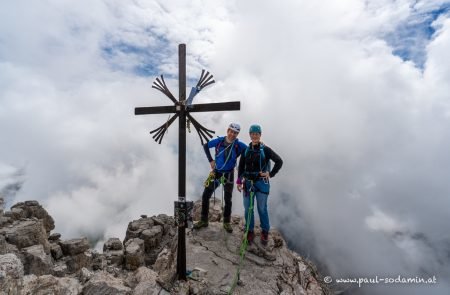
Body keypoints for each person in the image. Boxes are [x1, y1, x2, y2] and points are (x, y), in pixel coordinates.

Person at [194, 123, 247, 233]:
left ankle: (226, 222)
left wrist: (261, 146)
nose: (232, 134)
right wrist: (210, 160)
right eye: (231, 131)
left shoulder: (239, 145)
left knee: (228, 199)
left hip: (229, 174)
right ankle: (204, 220)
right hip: (217, 172)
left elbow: (249, 150)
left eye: (235, 133)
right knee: (205, 195)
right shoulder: (219, 141)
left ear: (237, 134)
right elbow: (205, 146)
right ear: (228, 130)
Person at [237, 124, 283, 245]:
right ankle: (250, 230)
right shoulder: (246, 150)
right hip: (247, 183)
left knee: (261, 208)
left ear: (260, 135)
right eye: (252, 134)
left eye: (257, 134)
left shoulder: (266, 150)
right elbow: (241, 167)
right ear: (250, 135)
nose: (254, 136)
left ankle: (265, 231)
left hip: (262, 183)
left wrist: (270, 174)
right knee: (248, 209)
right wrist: (238, 181)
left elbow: (279, 161)